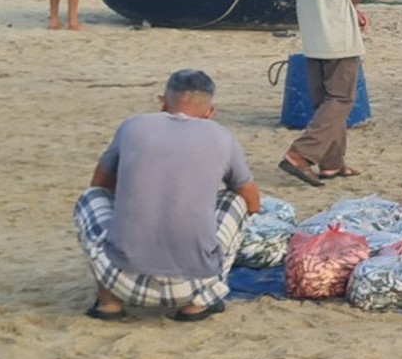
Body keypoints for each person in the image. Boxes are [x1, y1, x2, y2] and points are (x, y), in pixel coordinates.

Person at [75, 69, 263, 322]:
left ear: (162, 102)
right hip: (193, 285)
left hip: (120, 279)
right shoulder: (222, 136)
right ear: (211, 112)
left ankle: (109, 303)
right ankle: (196, 306)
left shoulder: (133, 126)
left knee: (90, 198)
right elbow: (252, 201)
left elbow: (100, 185)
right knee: (235, 201)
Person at [278, 0, 371, 187]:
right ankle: (300, 154)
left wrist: (350, 10)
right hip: (337, 36)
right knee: (341, 99)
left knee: (325, 102)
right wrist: (354, 4)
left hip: (314, 32)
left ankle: (332, 163)